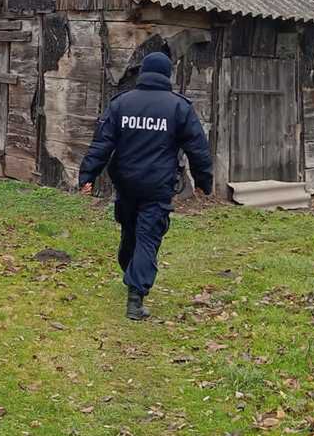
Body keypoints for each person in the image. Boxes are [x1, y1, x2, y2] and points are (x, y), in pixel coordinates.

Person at [78, 52, 213, 321]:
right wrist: (204, 183)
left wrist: (88, 176)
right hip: (157, 185)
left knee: (130, 231)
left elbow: (102, 144)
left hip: (125, 183)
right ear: (166, 75)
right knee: (148, 236)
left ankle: (130, 270)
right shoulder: (178, 107)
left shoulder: (121, 104)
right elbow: (198, 150)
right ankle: (135, 298)